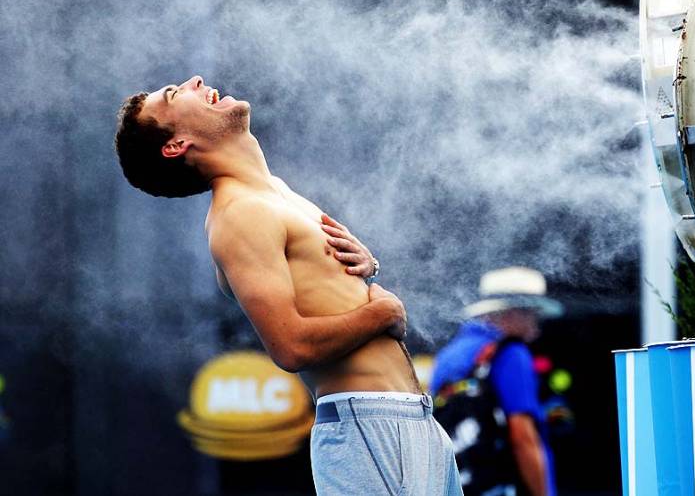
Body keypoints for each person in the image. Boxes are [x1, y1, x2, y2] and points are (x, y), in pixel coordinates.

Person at [113, 75, 462, 495]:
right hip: (369, 426)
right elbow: (290, 346)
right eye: (173, 95)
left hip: (412, 422)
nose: (194, 81)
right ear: (175, 145)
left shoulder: (274, 193)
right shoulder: (238, 214)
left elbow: (324, 292)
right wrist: (382, 312)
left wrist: (368, 269)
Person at [431, 267, 563, 496]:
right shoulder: (511, 353)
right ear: (510, 312)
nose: (537, 327)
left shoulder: (449, 355)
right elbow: (523, 436)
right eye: (532, 314)